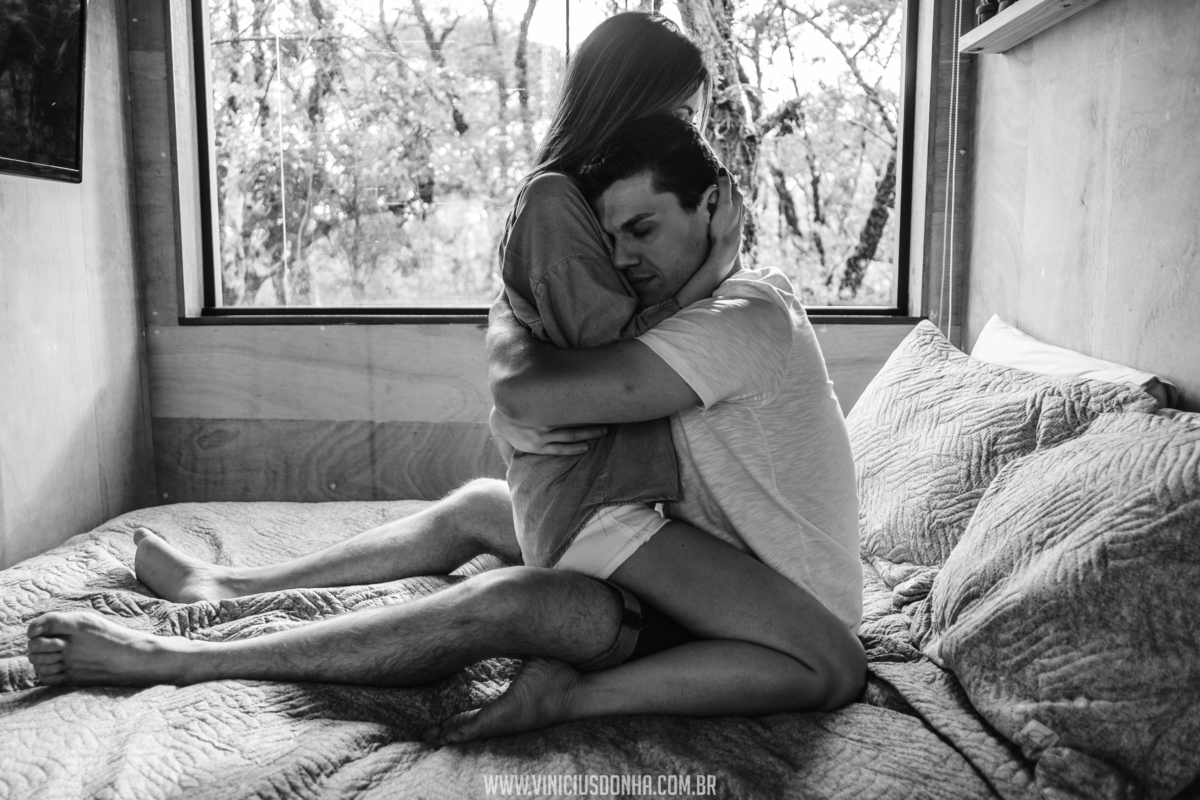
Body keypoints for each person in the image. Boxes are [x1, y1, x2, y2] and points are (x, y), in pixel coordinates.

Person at [24, 14, 867, 744]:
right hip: (705, 562)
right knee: (476, 504)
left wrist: (519, 388)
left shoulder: (742, 317)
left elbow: (536, 390)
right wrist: (520, 375)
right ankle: (234, 585)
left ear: (713, 202)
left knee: (512, 601)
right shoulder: (645, 273)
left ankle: (180, 657)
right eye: (675, 117)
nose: (624, 255)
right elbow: (548, 375)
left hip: (770, 613)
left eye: (643, 228)